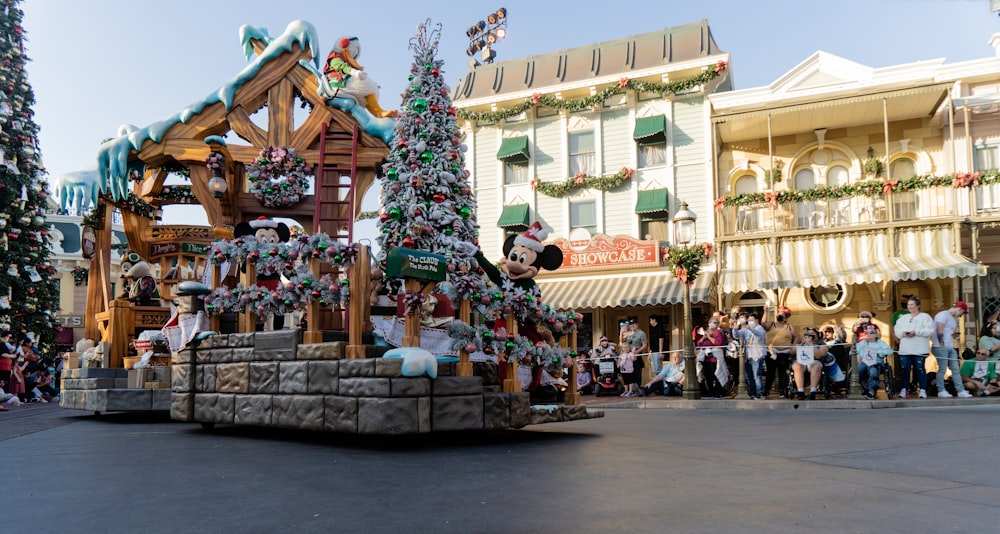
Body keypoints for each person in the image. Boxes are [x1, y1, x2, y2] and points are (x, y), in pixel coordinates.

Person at [893, 296, 934, 399]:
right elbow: (897, 330)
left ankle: (923, 389)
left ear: (918, 306)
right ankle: (904, 389)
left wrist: (916, 332)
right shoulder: (903, 318)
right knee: (905, 369)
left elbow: (930, 330)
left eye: (912, 305)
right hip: (905, 349)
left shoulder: (925, 317)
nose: (910, 307)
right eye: (908, 305)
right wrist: (902, 333)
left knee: (920, 369)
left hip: (919, 349)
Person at [932, 302, 973, 398]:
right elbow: (939, 330)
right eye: (962, 313)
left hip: (949, 346)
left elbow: (948, 332)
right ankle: (941, 390)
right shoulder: (942, 315)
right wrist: (941, 343)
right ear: (959, 309)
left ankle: (960, 390)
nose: (961, 315)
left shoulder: (953, 319)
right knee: (942, 369)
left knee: (955, 369)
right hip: (940, 346)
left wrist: (954, 335)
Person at [764, 305, 797, 399]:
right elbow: (763, 324)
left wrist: (793, 346)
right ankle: (766, 391)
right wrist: (766, 311)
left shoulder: (789, 327)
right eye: (779, 313)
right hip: (772, 352)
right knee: (770, 372)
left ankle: (782, 391)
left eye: (781, 314)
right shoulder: (772, 324)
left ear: (786, 317)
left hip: (784, 352)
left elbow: (797, 336)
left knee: (782, 373)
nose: (779, 315)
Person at [733, 312, 767, 399]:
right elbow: (737, 335)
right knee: (749, 377)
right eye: (749, 321)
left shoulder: (760, 329)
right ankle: (752, 393)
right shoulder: (746, 330)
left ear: (757, 320)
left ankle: (760, 393)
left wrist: (751, 328)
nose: (750, 322)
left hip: (757, 355)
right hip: (748, 356)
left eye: (752, 320)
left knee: (757, 375)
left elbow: (758, 334)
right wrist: (735, 329)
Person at [855, 324, 893, 399]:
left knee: (873, 372)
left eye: (871, 333)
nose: (868, 334)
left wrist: (878, 352)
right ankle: (866, 388)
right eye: (867, 333)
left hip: (876, 363)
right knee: (859, 370)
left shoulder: (881, 343)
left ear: (876, 334)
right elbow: (852, 352)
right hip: (863, 362)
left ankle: (871, 391)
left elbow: (890, 351)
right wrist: (857, 356)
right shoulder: (862, 343)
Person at [792, 326, 829, 400]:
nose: (810, 336)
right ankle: (800, 392)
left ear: (818, 335)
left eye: (812, 334)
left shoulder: (822, 345)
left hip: (814, 362)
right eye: (808, 334)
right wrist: (800, 346)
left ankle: (813, 391)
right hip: (801, 361)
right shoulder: (802, 342)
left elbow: (819, 356)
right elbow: (792, 352)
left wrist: (811, 344)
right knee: (797, 366)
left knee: (816, 366)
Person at [696, 319, 727, 398]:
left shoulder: (718, 332)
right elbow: (699, 344)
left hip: (715, 358)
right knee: (707, 376)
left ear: (717, 324)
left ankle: (717, 392)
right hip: (706, 358)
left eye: (714, 323)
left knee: (716, 375)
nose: (712, 324)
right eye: (711, 322)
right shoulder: (706, 332)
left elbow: (718, 343)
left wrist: (709, 337)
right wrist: (704, 337)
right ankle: (710, 391)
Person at [624, 319, 647, 391]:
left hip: (637, 353)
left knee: (637, 370)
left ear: (637, 324)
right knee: (629, 370)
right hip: (628, 354)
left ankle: (638, 386)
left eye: (633, 324)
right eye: (630, 324)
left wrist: (637, 351)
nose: (632, 326)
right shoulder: (628, 333)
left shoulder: (641, 333)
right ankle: (631, 388)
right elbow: (623, 343)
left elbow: (644, 345)